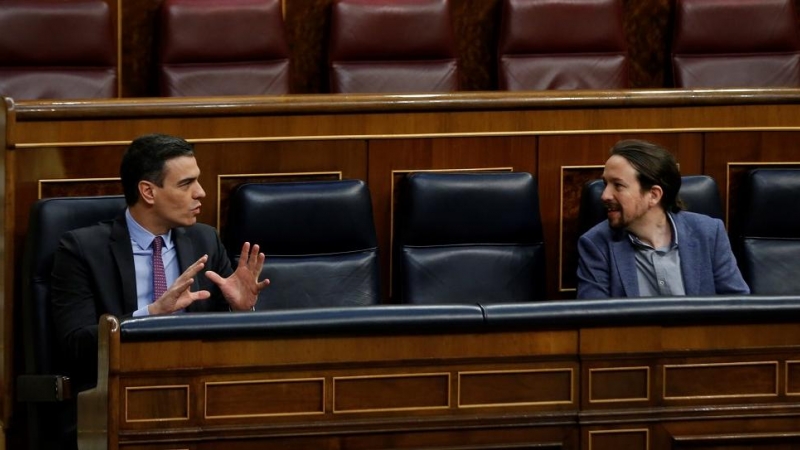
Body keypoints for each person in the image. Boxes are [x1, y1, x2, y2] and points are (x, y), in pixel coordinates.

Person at [51, 133, 271, 393]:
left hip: (198, 388)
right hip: (119, 391)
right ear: (148, 192)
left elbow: (228, 345)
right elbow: (76, 346)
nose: (201, 192)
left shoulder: (205, 240)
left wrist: (241, 313)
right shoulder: (83, 249)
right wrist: (151, 315)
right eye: (186, 183)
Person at [576, 139, 749, 299]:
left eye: (618, 186)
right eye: (606, 184)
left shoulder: (709, 233)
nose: (604, 195)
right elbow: (593, 322)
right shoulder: (596, 244)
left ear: (654, 195)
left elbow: (738, 308)